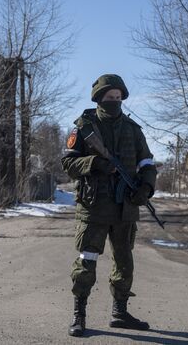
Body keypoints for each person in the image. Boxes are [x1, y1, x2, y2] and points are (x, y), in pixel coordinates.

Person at [61, 74, 157, 337]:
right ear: (99, 99)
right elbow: (68, 163)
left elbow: (147, 163)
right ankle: (79, 314)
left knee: (124, 262)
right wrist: (93, 163)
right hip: (94, 207)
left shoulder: (133, 130)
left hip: (125, 207)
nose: (114, 102)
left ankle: (120, 312)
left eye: (118, 97)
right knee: (87, 260)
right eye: (109, 97)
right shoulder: (83, 128)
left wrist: (146, 188)